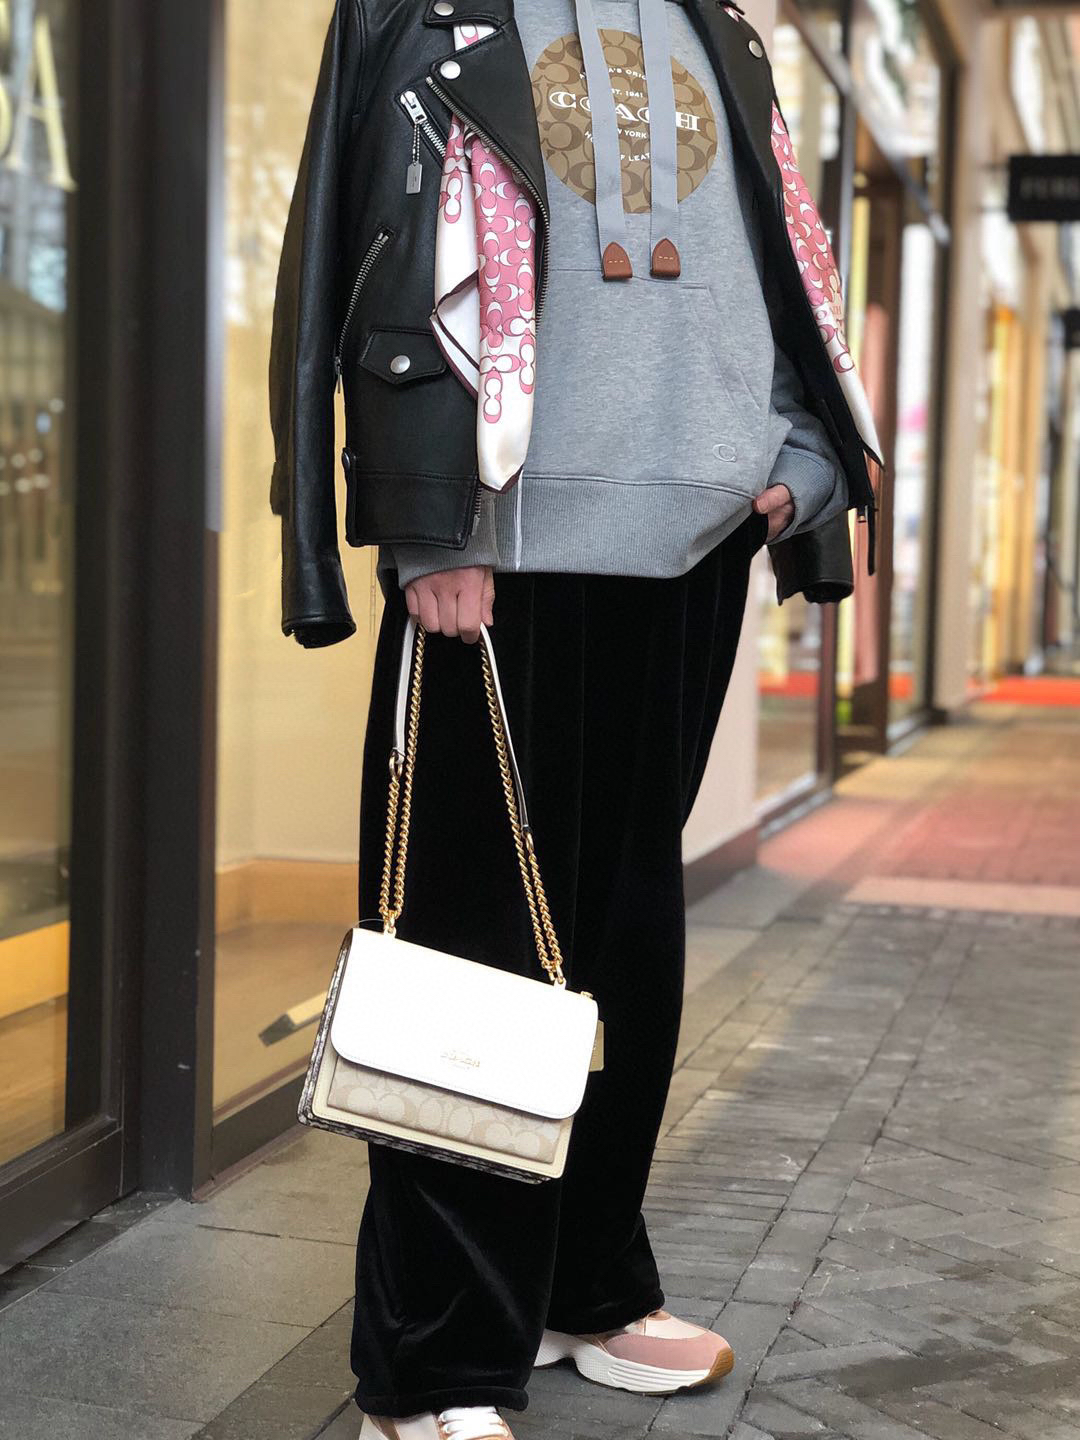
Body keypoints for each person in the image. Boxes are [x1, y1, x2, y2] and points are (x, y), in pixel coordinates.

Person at [270, 0, 880, 1435]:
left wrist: (802, 459)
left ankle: (587, 1286)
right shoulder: (427, 12)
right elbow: (357, 251)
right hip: (501, 557)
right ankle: (435, 1361)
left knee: (623, 950)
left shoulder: (721, 27)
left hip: (695, 552)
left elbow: (778, 256)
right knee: (469, 965)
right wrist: (428, 523)